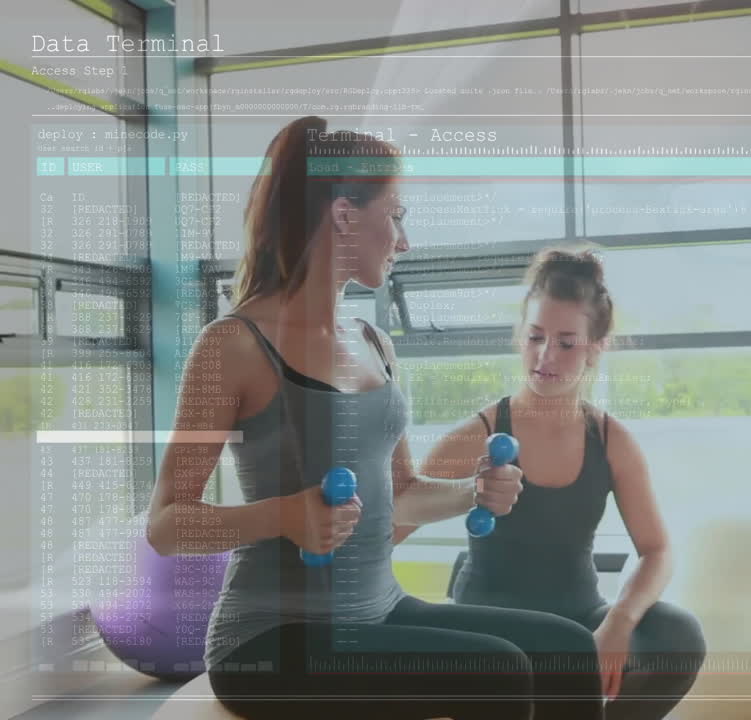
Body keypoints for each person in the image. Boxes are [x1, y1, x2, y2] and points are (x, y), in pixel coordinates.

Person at [145, 116, 605, 720]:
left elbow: (402, 494)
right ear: (344, 216)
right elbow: (167, 527)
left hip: (379, 608)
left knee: (567, 646)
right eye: (396, 215)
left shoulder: (372, 341)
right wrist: (285, 515)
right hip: (270, 639)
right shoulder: (232, 344)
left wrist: (475, 493)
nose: (404, 241)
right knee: (498, 669)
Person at [412, 247, 707, 720]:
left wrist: (619, 621)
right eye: (535, 337)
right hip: (492, 631)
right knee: (555, 661)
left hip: (578, 617)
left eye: (566, 342)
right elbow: (395, 517)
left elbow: (657, 550)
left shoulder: (611, 440)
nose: (545, 356)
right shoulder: (476, 436)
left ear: (595, 347)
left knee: (678, 635)